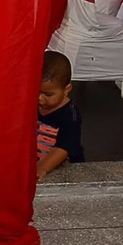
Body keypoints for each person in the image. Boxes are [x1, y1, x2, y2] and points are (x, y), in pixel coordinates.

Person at [37, 50, 84, 180]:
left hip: (64, 169)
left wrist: (42, 168)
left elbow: (63, 148)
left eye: (48, 95)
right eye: (36, 91)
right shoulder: (33, 105)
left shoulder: (70, 115)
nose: (40, 98)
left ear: (66, 90)